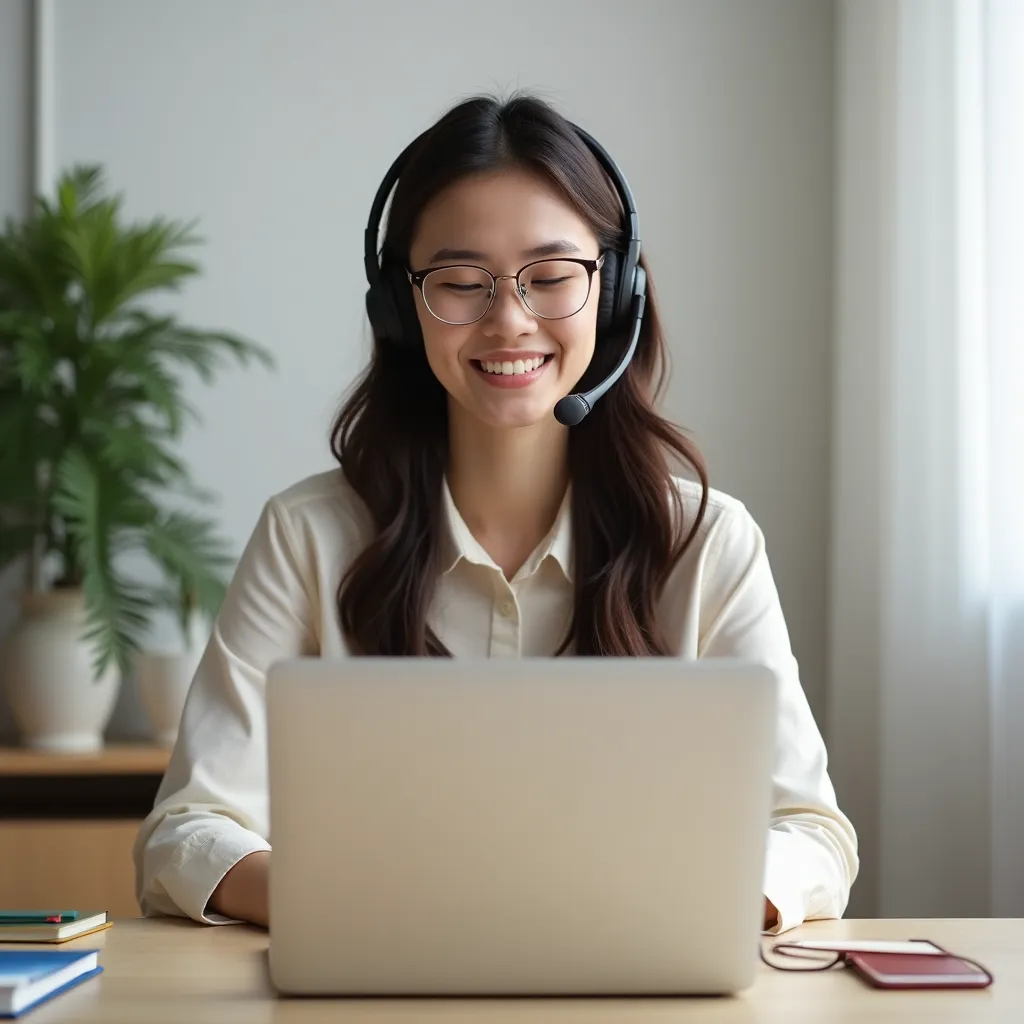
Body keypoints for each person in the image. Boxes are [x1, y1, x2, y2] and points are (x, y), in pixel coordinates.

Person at [133, 92, 858, 935]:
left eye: (550, 278)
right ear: (399, 309)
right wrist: (370, 909)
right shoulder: (307, 538)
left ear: (615, 291)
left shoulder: (706, 542)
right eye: (459, 283)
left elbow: (810, 833)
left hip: (635, 977)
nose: (509, 320)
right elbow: (186, 833)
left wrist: (677, 907)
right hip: (378, 975)